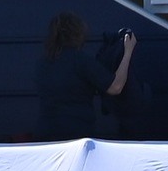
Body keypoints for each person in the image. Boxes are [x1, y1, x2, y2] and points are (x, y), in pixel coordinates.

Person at [37, 13, 137, 142]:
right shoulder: (80, 60)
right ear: (77, 34)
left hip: (46, 132)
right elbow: (115, 87)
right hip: (75, 133)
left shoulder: (42, 63)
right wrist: (128, 52)